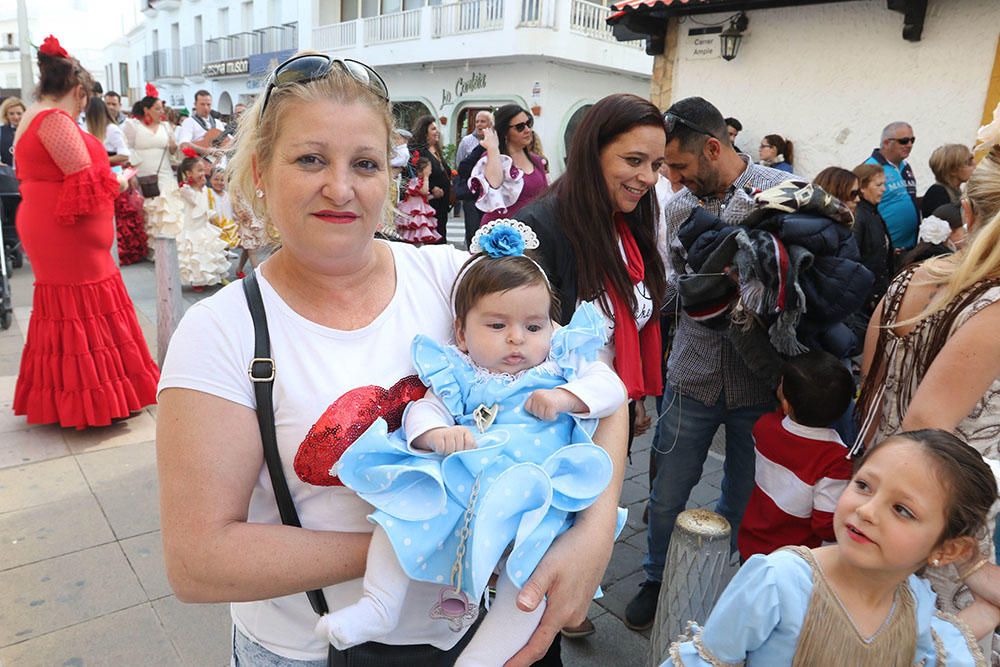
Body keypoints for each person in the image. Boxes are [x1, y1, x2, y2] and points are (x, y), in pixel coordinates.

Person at [156, 51, 627, 666]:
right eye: (310, 159)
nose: (341, 187)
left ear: (392, 178)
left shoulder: (452, 279)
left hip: (479, 633)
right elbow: (200, 561)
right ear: (260, 170)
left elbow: (597, 388)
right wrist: (434, 537)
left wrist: (592, 537)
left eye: (366, 164)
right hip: (312, 648)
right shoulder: (221, 331)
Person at [317, 221, 627, 665]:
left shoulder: (560, 364)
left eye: (534, 325)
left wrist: (566, 398)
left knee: (533, 577)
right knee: (402, 510)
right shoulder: (461, 374)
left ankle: (483, 658)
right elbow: (424, 408)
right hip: (468, 484)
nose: (518, 338)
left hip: (538, 493)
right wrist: (436, 435)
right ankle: (379, 605)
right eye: (498, 325)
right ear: (462, 334)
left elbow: (611, 390)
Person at [628, 96, 795, 630]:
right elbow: (670, 286)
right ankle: (656, 578)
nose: (671, 179)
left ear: (714, 147)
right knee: (668, 490)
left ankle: (719, 582)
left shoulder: (782, 191)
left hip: (760, 383)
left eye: (676, 166)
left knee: (744, 495)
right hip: (691, 376)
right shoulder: (677, 209)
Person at [665, 430, 997, 665]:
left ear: (948, 550)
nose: (866, 510)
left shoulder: (915, 603)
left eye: (902, 510)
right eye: (864, 485)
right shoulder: (778, 581)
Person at [12, 35, 159, 428]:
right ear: (77, 91)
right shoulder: (54, 120)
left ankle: (77, 398)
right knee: (84, 305)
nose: (85, 106)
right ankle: (97, 401)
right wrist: (122, 181)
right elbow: (86, 181)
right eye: (85, 98)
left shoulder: (33, 115)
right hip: (66, 234)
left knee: (67, 309)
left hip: (51, 225)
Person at [736, 350, 854, 562]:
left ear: (786, 404)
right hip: (793, 561)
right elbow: (825, 525)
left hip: (752, 545)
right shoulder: (836, 459)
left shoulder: (765, 427)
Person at [122, 84, 182, 249]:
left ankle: (168, 246)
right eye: (157, 109)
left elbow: (172, 152)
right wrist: (131, 174)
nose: (161, 112)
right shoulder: (133, 126)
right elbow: (126, 150)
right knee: (148, 210)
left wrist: (173, 146)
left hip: (164, 172)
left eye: (162, 109)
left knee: (167, 207)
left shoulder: (165, 126)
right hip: (142, 172)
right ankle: (151, 247)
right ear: (147, 110)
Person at [470, 104, 548, 227]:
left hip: (532, 231)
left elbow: (545, 198)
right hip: (500, 234)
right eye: (520, 127)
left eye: (529, 124)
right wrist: (493, 148)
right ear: (505, 132)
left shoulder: (536, 161)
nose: (527, 130)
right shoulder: (491, 156)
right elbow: (494, 184)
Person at [172, 154, 230, 291]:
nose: (202, 174)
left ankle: (216, 276)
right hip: (193, 227)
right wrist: (198, 187)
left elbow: (206, 206)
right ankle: (198, 280)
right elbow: (196, 203)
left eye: (203, 170)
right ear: (188, 173)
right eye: (199, 170)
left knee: (210, 251)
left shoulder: (204, 189)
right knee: (196, 255)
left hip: (204, 225)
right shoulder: (185, 189)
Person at [865, 121, 920, 250]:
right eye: (904, 141)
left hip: (911, 246)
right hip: (888, 250)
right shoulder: (870, 168)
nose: (909, 145)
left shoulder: (905, 166)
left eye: (912, 140)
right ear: (886, 143)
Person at [851, 163, 894, 312]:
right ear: (862, 188)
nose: (884, 189)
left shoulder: (872, 212)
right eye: (878, 185)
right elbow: (854, 258)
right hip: (866, 295)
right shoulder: (859, 216)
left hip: (877, 289)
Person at [408, 115, 451, 244]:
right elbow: (416, 174)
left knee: (441, 231)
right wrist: (432, 188)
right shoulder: (420, 151)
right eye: (433, 129)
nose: (436, 132)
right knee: (432, 236)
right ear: (424, 132)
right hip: (429, 202)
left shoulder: (436, 150)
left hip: (442, 203)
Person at [455, 110, 494, 245]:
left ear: (490, 124)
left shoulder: (495, 141)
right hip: (472, 193)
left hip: (489, 194)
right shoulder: (467, 141)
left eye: (482, 121)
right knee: (472, 229)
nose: (479, 124)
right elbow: (460, 163)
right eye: (477, 121)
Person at [395, 155, 441, 245]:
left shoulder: (420, 181)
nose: (430, 170)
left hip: (419, 209)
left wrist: (434, 196)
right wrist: (426, 177)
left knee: (420, 233)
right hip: (415, 211)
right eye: (429, 168)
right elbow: (424, 191)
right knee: (414, 231)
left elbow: (423, 197)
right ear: (423, 169)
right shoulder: (416, 181)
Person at [922, 143, 975, 218]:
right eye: (969, 163)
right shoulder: (938, 194)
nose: (975, 165)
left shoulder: (955, 190)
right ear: (953, 170)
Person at [176, 89, 226, 158]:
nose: (206, 107)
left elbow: (226, 143)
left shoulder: (218, 123)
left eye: (208, 104)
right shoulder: (189, 122)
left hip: (217, 164)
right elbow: (184, 144)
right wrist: (206, 151)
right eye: (202, 104)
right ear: (195, 104)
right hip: (197, 163)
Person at [206, 166, 240, 250]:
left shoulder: (228, 195)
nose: (219, 182)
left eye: (222, 180)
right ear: (210, 180)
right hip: (213, 227)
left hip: (228, 227)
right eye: (216, 179)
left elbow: (233, 211)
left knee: (226, 251)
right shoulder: (208, 193)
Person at [0, 96, 24, 167]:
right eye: (11, 114)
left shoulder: (31, 130)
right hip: (7, 173)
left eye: (19, 113)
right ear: (6, 115)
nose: (16, 117)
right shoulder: (1, 131)